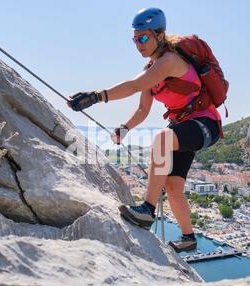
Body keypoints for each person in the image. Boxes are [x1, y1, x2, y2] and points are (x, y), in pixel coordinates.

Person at [68, 8, 223, 253]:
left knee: (161, 139)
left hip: (205, 124)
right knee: (172, 186)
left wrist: (96, 96)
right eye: (134, 40)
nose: (138, 44)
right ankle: (189, 237)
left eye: (142, 38)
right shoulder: (153, 69)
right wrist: (125, 128)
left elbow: (133, 86)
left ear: (159, 34)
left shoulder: (169, 61)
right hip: (184, 126)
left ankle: (147, 211)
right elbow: (142, 108)